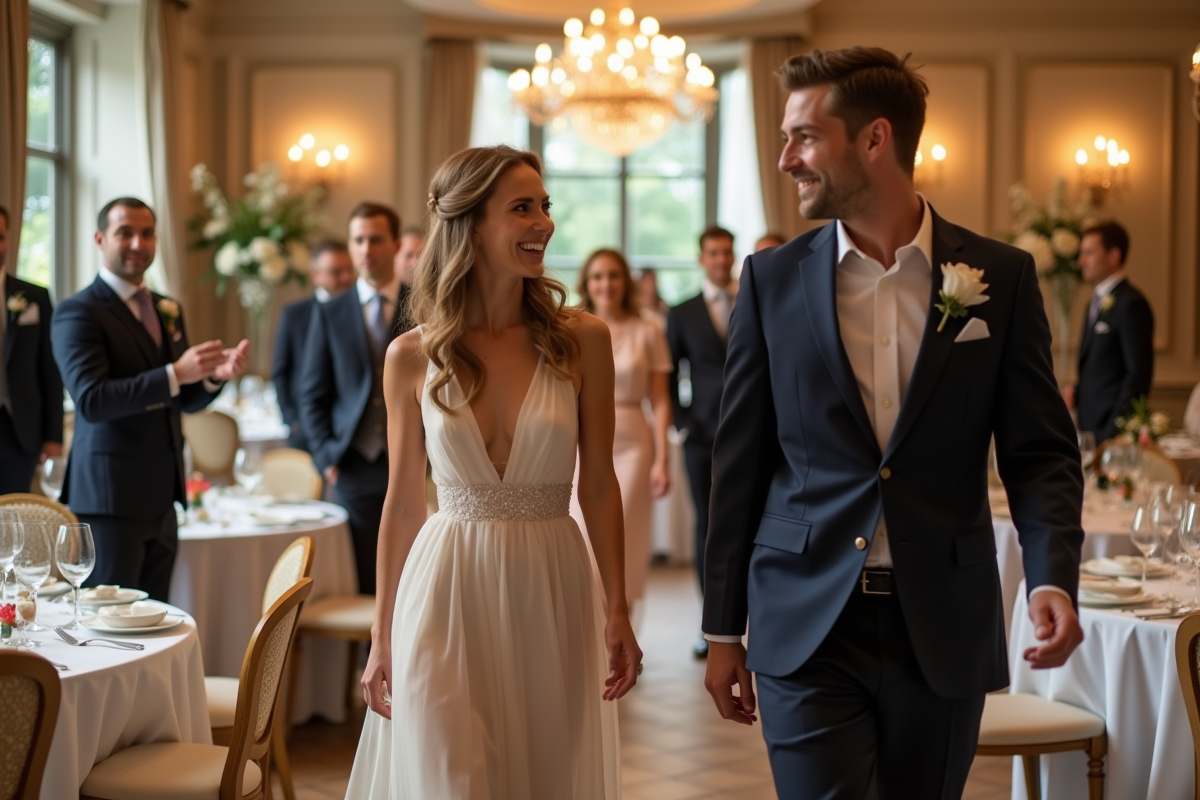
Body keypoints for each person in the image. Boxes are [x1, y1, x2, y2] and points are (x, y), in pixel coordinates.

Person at [701, 47, 1084, 799]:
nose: (785, 160)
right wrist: (722, 630)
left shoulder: (998, 279)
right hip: (806, 619)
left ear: (874, 140)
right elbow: (739, 463)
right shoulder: (772, 282)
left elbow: (1040, 453)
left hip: (940, 620)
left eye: (804, 137)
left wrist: (1052, 576)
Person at [346, 145, 639, 798]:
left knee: (544, 775)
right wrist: (381, 631)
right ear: (471, 225)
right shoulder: (410, 356)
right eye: (522, 208)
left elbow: (597, 484)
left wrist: (617, 607)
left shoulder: (583, 338)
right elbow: (401, 504)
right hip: (446, 587)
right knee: (448, 777)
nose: (544, 223)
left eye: (545, 206)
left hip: (553, 583)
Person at [52, 197, 249, 600]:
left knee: (155, 622)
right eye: (125, 232)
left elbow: (182, 398)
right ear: (100, 238)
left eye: (146, 233)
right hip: (109, 500)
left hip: (163, 496)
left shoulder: (165, 308)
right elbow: (92, 399)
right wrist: (176, 373)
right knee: (111, 623)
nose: (138, 243)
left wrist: (213, 378)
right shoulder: (78, 312)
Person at [298, 202, 411, 594]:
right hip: (351, 464)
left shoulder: (423, 304)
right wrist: (326, 457)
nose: (366, 249)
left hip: (412, 460)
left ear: (396, 244)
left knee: (412, 575)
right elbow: (310, 392)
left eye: (375, 239)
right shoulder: (330, 312)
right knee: (360, 580)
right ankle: (370, 655)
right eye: (358, 240)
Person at [572, 248, 672, 627]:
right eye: (597, 276)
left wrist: (662, 458)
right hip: (583, 440)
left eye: (613, 275)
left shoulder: (649, 329)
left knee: (623, 534)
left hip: (632, 440)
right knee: (581, 534)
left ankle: (621, 628)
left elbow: (661, 400)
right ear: (587, 283)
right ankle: (590, 632)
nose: (606, 284)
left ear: (624, 282)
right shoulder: (572, 327)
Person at [665, 225, 737, 659]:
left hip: (752, 433)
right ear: (701, 258)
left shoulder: (754, 299)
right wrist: (683, 422)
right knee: (707, 528)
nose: (721, 260)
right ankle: (710, 625)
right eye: (713, 253)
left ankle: (750, 621)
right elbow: (671, 373)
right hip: (703, 435)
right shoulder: (683, 311)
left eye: (727, 252)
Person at [1061, 220, 1153, 442]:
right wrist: (1077, 390)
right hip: (1089, 426)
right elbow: (1103, 364)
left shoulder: (1131, 303)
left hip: (1111, 431)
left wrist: (1115, 429)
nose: (1081, 261)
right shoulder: (1092, 304)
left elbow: (1138, 373)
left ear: (1114, 256)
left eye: (1089, 253)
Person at [0, 205, 63, 493]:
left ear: (9, 239)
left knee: (14, 524)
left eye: (0, 237)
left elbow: (50, 371)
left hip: (20, 433)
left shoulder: (34, 297)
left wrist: (53, 436)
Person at [271, 239, 355, 451]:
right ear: (316, 275)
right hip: (305, 430)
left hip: (350, 431)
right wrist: (293, 421)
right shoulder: (294, 314)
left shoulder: (362, 312)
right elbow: (281, 372)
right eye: (336, 272)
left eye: (349, 270)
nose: (346, 278)